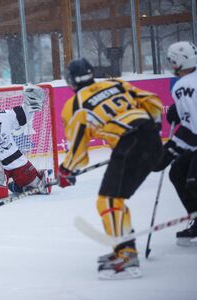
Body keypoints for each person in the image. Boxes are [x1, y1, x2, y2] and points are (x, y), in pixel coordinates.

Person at [58, 58, 163, 279]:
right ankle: (122, 248)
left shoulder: (75, 105)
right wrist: (153, 129)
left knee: (108, 201)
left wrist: (66, 170)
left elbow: (78, 150)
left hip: (129, 144)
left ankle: (126, 255)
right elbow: (152, 101)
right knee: (113, 200)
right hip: (150, 140)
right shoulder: (114, 84)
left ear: (71, 81)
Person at [153, 41, 197, 246]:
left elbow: (194, 129)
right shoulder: (187, 84)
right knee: (178, 171)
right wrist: (178, 111)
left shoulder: (183, 86)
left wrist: (172, 147)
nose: (170, 65)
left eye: (171, 61)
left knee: (192, 181)